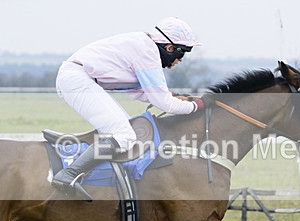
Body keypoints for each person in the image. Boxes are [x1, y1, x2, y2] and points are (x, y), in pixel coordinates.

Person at [53, 17, 205, 200]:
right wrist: (197, 106)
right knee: (124, 136)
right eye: (183, 53)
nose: (180, 60)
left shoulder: (145, 47)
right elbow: (163, 103)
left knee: (130, 134)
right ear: (170, 48)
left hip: (78, 78)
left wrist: (173, 97)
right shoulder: (147, 52)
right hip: (77, 79)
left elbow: (141, 92)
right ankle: (68, 174)